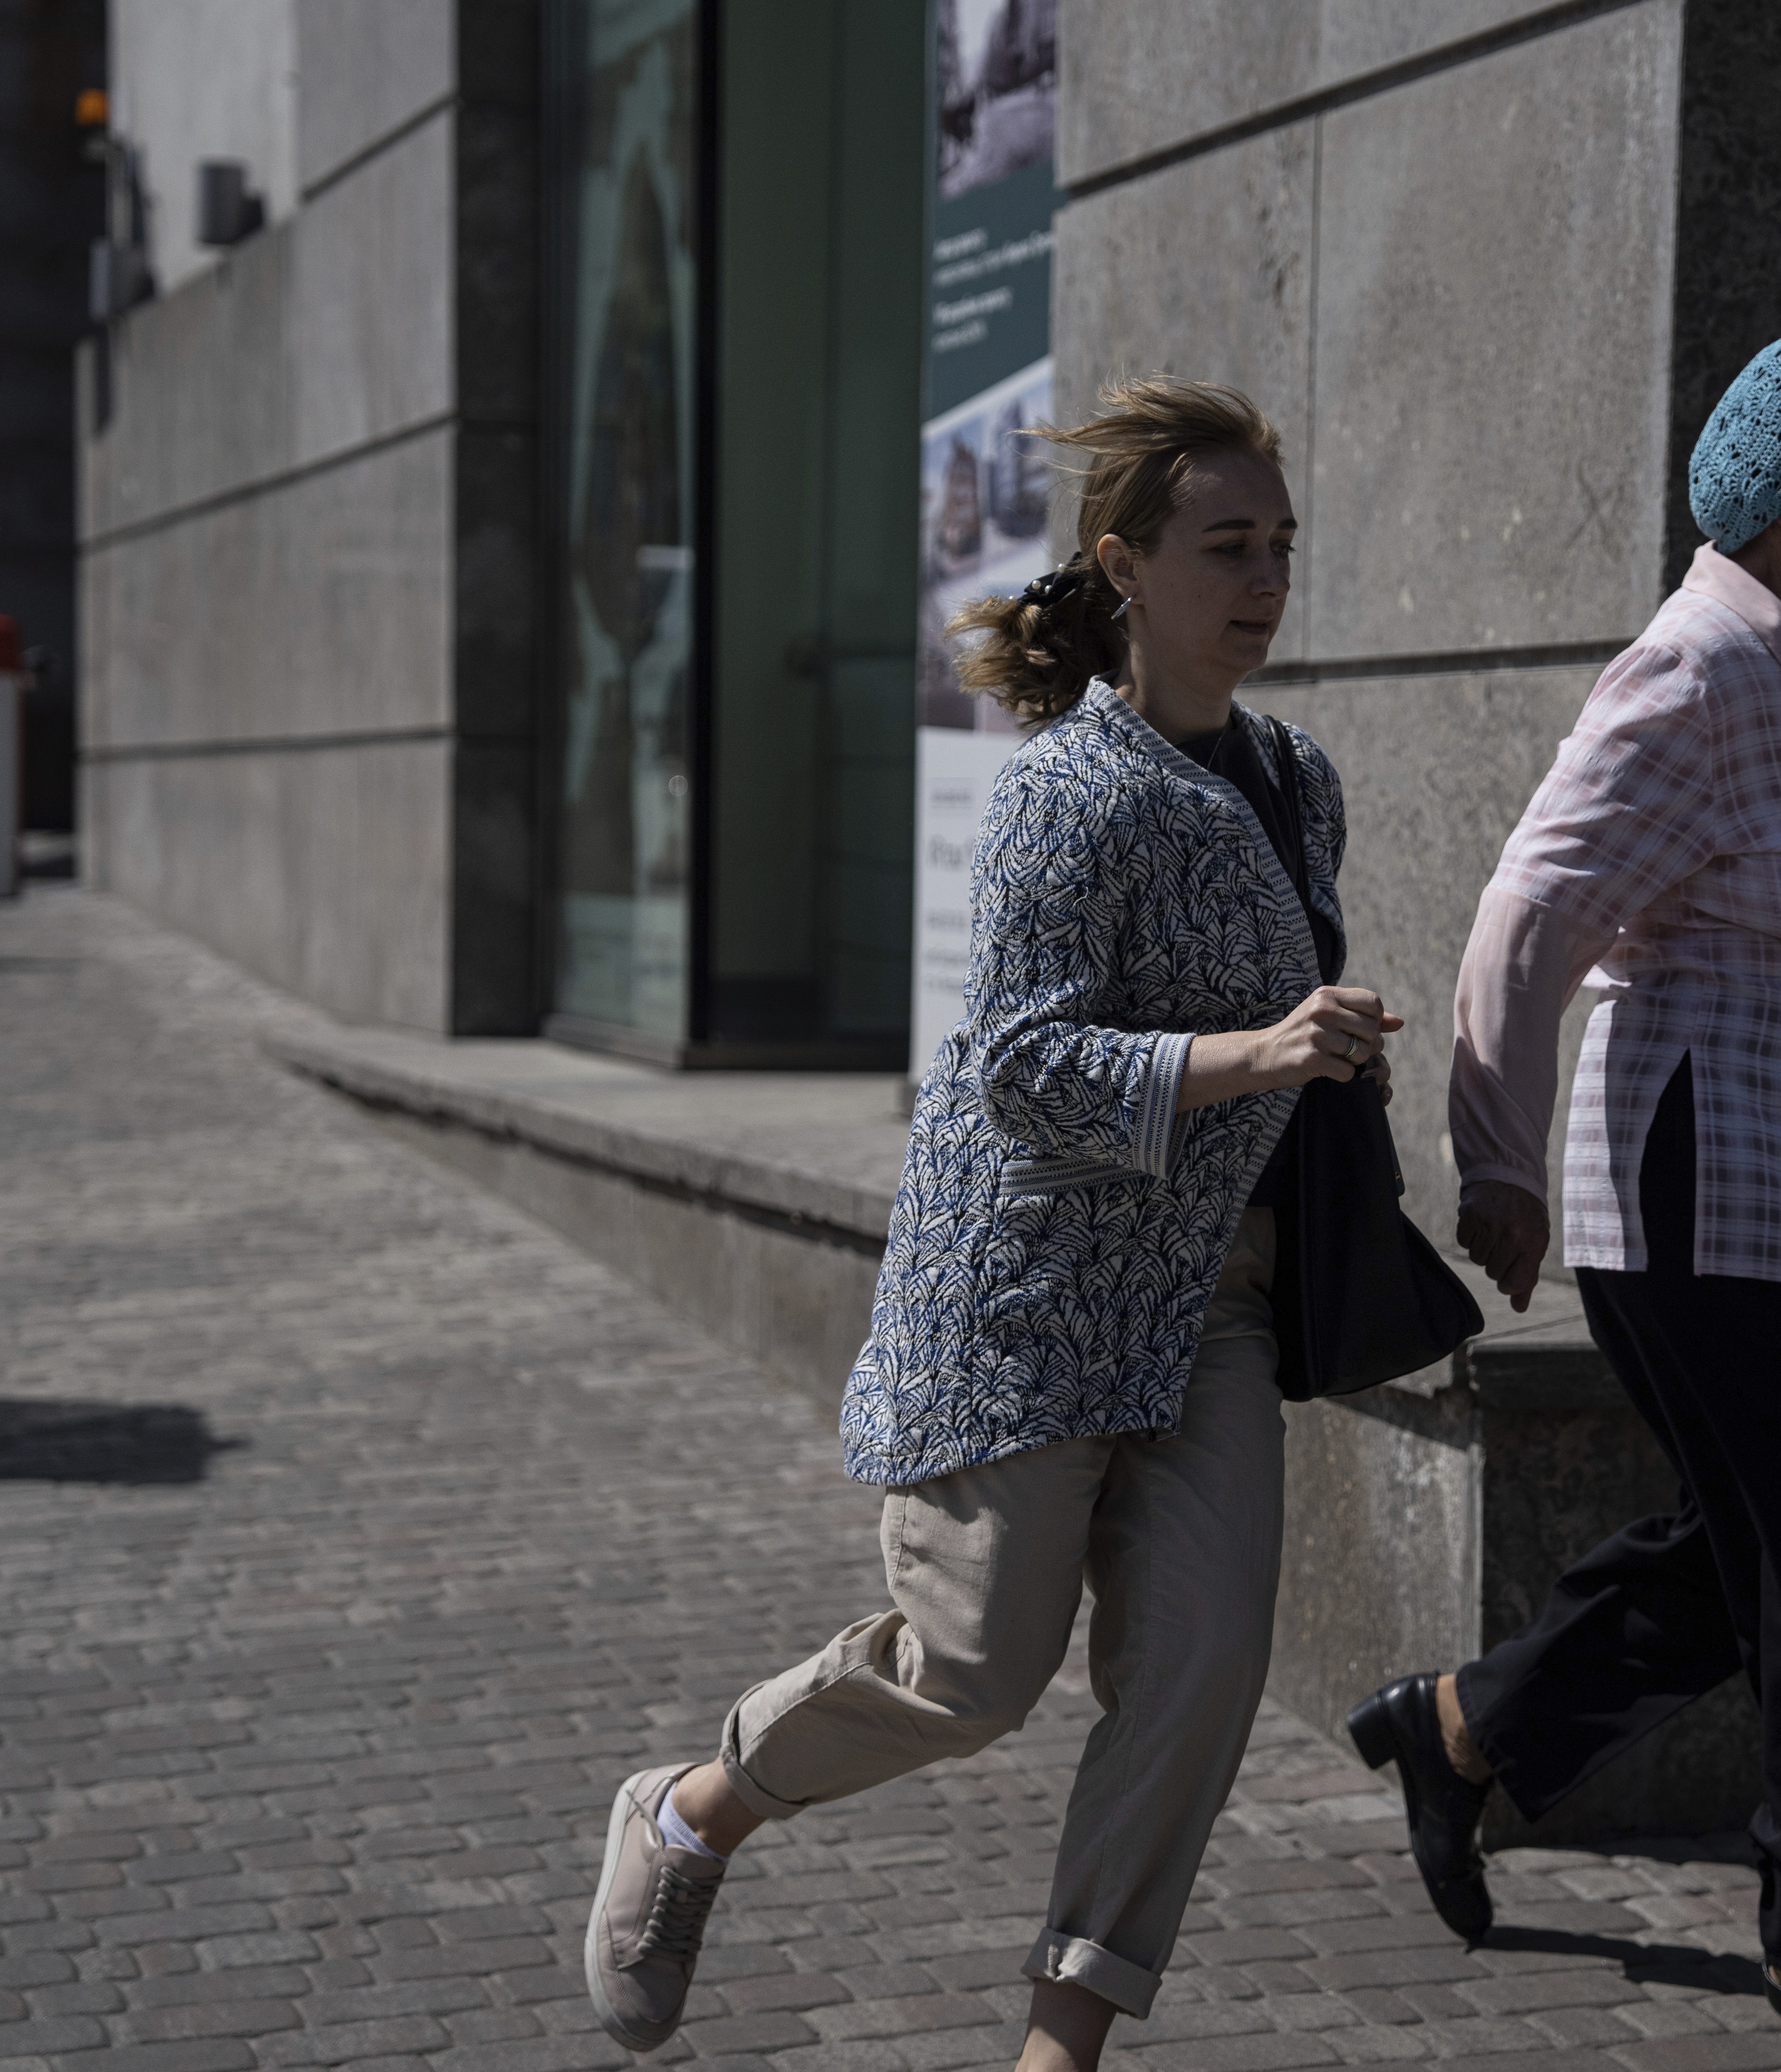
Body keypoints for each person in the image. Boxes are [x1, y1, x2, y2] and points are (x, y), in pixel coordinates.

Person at [581, 379, 1400, 2072]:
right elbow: (1021, 1061)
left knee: (1197, 1679)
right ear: (1127, 563)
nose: (1264, 579)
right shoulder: (1063, 793)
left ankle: (1059, 2053)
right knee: (973, 1677)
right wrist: (1256, 1053)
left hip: (1217, 1307)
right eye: (1226, 546)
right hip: (1028, 1297)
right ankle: (690, 1811)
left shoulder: (1298, 777)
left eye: (1282, 547)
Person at [1345, 332, 1781, 2072]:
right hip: (1714, 1186)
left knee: (1768, 1559)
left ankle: (1461, 1733)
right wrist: (1497, 1158)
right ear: (1779, 506)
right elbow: (1533, 911)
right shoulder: (1698, 675)